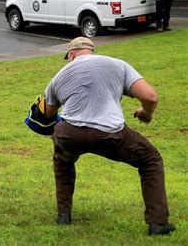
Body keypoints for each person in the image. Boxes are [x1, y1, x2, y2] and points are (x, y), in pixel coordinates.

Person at [41, 37, 176, 236]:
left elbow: (47, 114)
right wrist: (146, 114)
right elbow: (150, 97)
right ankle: (158, 223)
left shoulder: (59, 76)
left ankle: (64, 215)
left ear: (71, 55)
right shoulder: (118, 65)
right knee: (150, 159)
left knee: (63, 159)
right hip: (109, 133)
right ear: (91, 51)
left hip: (70, 133)